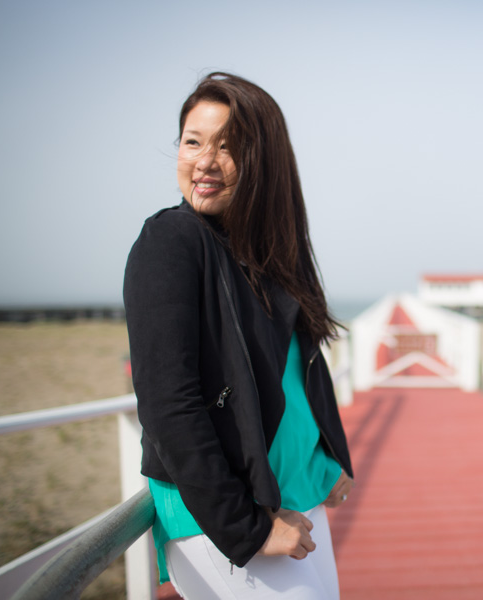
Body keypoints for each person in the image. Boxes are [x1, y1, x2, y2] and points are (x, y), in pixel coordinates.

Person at [123, 72, 354, 600]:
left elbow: (303, 368)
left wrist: (330, 454)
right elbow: (167, 404)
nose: (204, 162)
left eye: (228, 148)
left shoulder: (273, 253)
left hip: (293, 492)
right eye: (192, 141)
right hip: (225, 511)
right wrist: (246, 527)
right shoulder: (171, 242)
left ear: (264, 162)